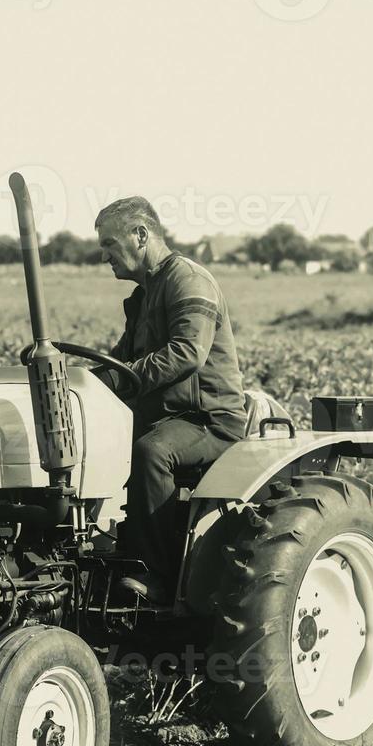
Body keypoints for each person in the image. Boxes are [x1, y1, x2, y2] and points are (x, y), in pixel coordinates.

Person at [94, 196, 245, 604]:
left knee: (151, 452)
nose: (102, 254)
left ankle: (154, 577)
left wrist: (126, 379)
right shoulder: (144, 296)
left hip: (207, 420)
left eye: (109, 243)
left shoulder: (187, 280)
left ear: (140, 235)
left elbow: (188, 352)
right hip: (167, 418)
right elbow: (120, 360)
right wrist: (83, 385)